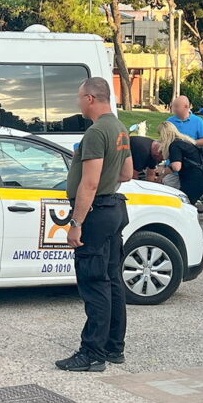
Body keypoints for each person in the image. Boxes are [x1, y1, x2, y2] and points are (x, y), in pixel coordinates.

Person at [56, 77, 133, 372]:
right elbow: (126, 173)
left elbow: (88, 184)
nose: (78, 103)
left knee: (94, 283)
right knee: (112, 281)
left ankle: (92, 353)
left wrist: (76, 222)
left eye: (80, 98)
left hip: (96, 213)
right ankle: (114, 347)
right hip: (113, 208)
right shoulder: (120, 128)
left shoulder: (96, 132)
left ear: (89, 98)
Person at [157, 121, 203, 241]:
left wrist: (162, 173)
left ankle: (186, 234)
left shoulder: (174, 145)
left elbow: (176, 167)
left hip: (195, 180)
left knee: (183, 206)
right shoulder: (185, 141)